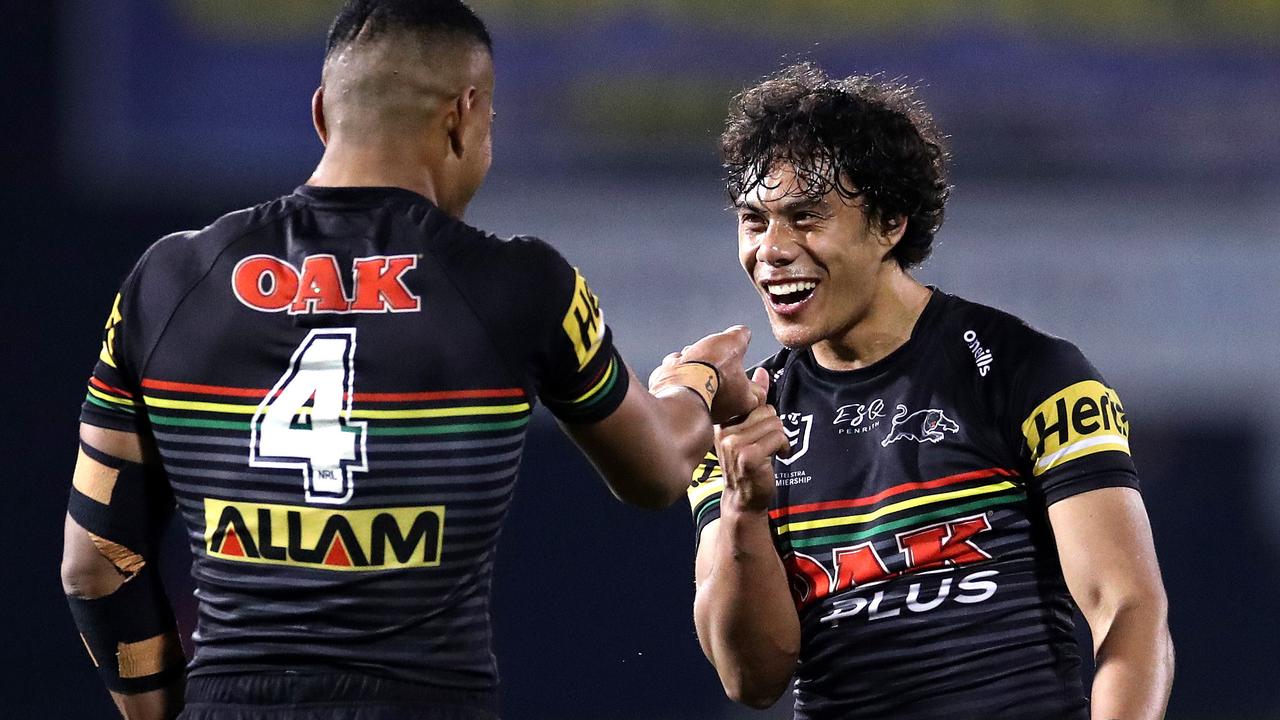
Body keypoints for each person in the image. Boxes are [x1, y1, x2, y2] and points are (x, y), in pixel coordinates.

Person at [59, 2, 757, 719]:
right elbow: (657, 472)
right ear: (464, 115)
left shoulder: (170, 281)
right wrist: (698, 380)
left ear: (322, 114)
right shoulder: (519, 286)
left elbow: (96, 565)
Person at [677, 64, 1175, 719]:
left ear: (890, 223)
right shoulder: (744, 424)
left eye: (805, 217)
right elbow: (753, 678)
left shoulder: (1026, 373)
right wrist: (744, 507)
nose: (771, 249)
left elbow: (1129, 610)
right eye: (753, 221)